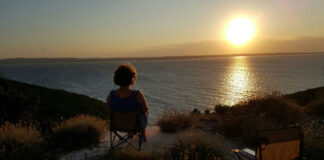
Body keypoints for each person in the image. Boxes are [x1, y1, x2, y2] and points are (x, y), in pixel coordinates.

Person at [106, 64, 149, 140]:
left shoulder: (111, 94)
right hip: (135, 126)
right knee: (145, 112)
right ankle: (141, 132)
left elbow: (108, 110)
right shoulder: (137, 94)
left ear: (116, 78)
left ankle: (130, 133)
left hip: (116, 125)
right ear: (132, 78)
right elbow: (145, 109)